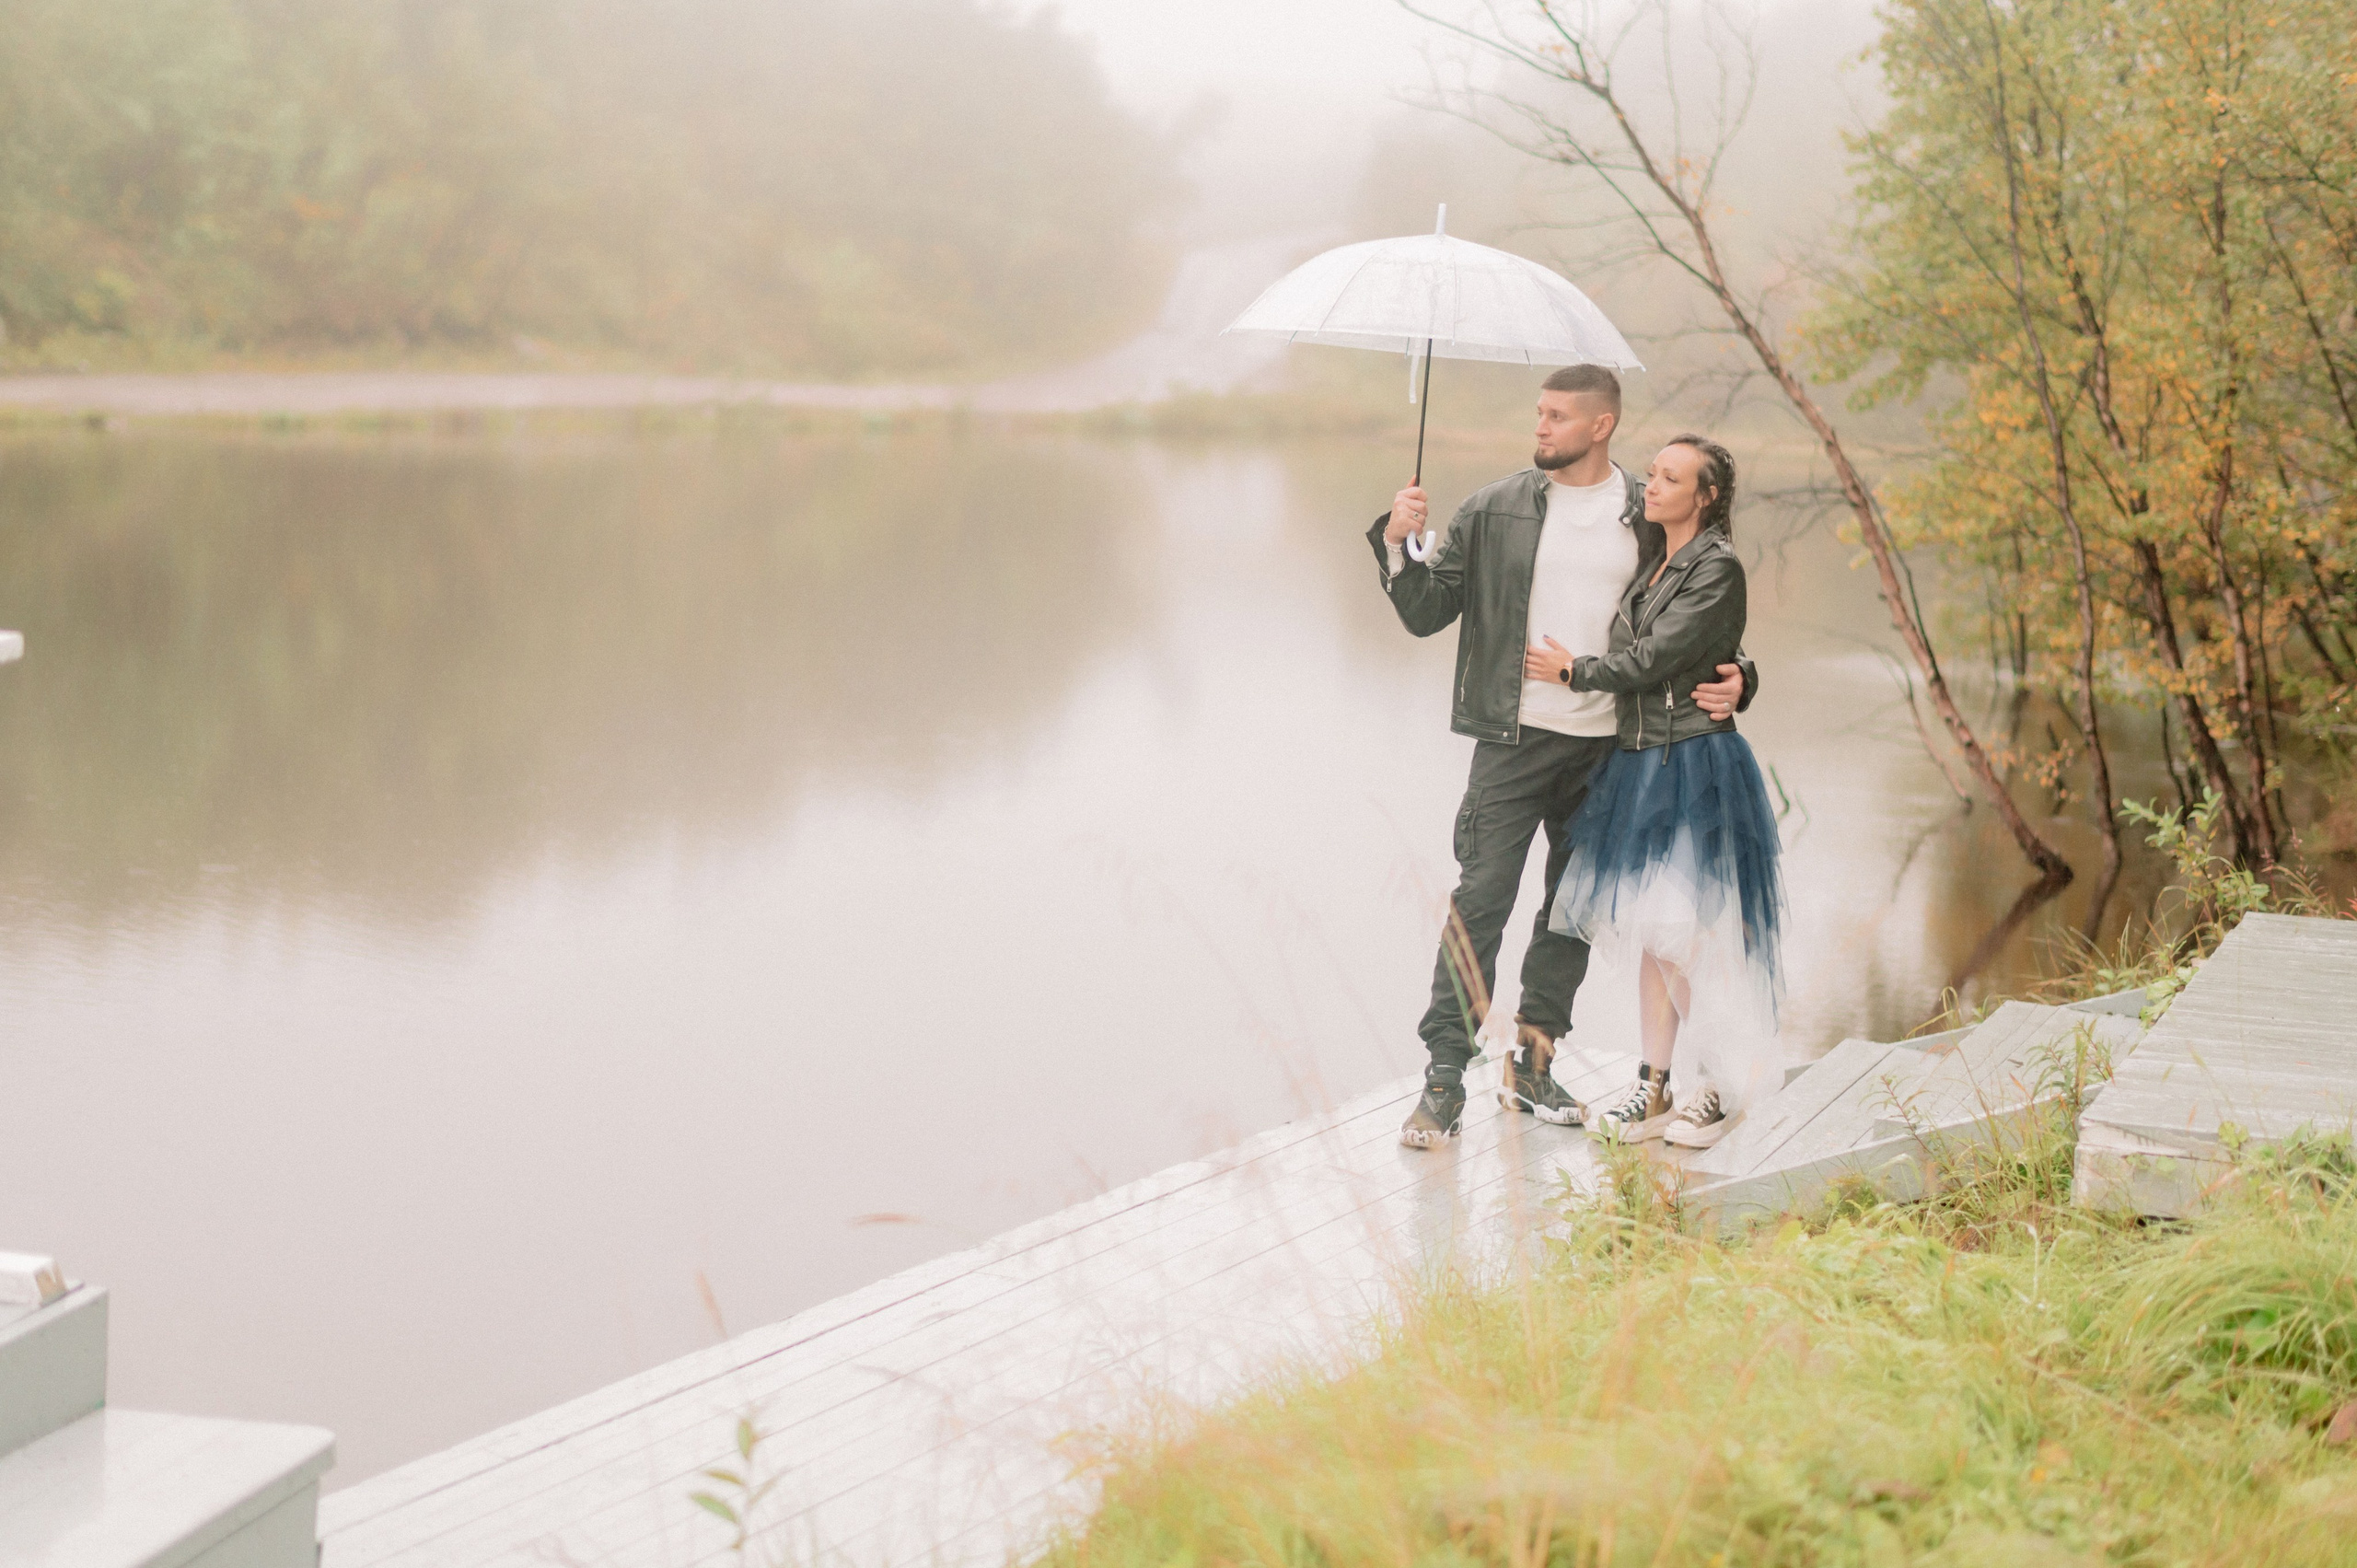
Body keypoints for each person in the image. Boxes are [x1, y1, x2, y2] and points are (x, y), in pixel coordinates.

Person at [1370, 366, 1756, 1150]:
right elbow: (1425, 613)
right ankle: (1444, 1079)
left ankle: (1533, 1062)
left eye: (1556, 416)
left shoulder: (1647, 509)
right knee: (1480, 900)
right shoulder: (1494, 508)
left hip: (1614, 748)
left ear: (1601, 424)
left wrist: (1745, 677)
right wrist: (1397, 545)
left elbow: (1697, 616)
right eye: (1539, 413)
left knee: (1571, 912)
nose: (1540, 426)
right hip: (1512, 740)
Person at [1546, 434, 1786, 1148]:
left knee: (1688, 933)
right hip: (1640, 762)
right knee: (1654, 934)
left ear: (1706, 496)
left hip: (1694, 761)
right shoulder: (1654, 558)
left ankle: (1718, 1082)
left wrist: (1573, 672)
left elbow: (1659, 656)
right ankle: (1655, 1087)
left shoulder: (1717, 566)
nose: (1651, 485)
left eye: (1670, 477)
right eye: (1651, 473)